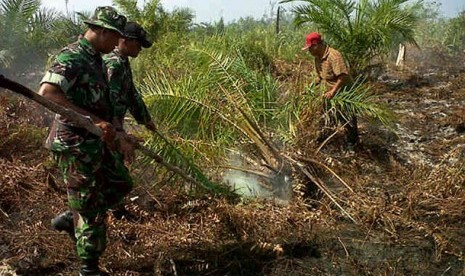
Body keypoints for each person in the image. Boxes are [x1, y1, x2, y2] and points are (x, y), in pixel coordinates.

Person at [39, 6, 132, 275]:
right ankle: (88, 268)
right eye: (115, 37)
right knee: (91, 209)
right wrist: (91, 122)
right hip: (74, 145)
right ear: (103, 32)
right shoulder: (73, 57)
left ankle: (72, 217)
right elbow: (48, 93)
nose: (117, 44)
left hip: (94, 144)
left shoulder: (97, 60)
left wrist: (118, 132)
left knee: (120, 183)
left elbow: (102, 105)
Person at [102, 21, 155, 219]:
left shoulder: (123, 62)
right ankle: (107, 212)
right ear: (125, 40)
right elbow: (109, 103)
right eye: (138, 44)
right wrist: (120, 134)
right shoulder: (113, 64)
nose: (140, 48)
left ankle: (114, 210)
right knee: (116, 173)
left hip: (112, 127)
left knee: (114, 171)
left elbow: (131, 94)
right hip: (106, 128)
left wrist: (145, 119)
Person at [302, 32, 359, 150]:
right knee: (325, 117)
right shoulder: (317, 58)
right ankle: (324, 139)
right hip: (329, 94)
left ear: (316, 45)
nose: (309, 51)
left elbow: (343, 76)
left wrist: (333, 91)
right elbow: (320, 77)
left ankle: (352, 144)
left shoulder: (334, 56)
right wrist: (310, 88)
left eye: (310, 48)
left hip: (343, 93)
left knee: (347, 118)